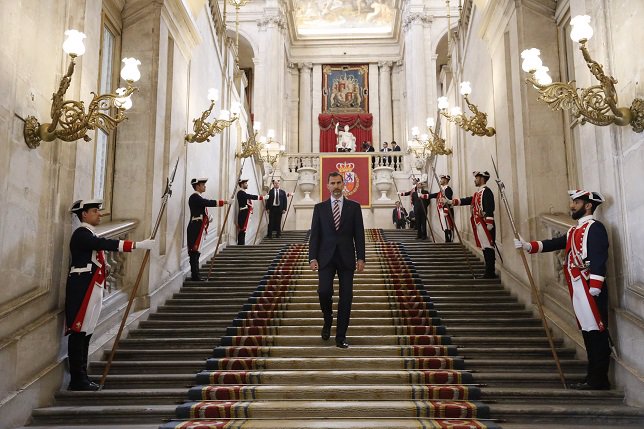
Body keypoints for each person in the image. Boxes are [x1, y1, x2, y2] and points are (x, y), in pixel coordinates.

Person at [514, 190, 611, 390]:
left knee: (597, 332)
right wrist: (528, 246)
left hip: (590, 287)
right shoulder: (574, 230)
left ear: (588, 205)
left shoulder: (595, 228)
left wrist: (595, 285)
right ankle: (592, 376)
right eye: (572, 202)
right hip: (578, 287)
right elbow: (555, 243)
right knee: (587, 331)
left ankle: (599, 379)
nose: (571, 206)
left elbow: (599, 256)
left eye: (576, 202)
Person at [66, 199, 154, 391]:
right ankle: (77, 378)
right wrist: (137, 245)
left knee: (87, 332)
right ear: (84, 215)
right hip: (84, 287)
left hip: (93, 286)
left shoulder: (88, 233)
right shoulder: (82, 233)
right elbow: (104, 243)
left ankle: (82, 376)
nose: (99, 214)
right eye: (95, 211)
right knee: (79, 331)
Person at [309, 171, 366, 349]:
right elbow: (315, 235)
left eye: (339, 183)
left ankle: (341, 336)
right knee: (323, 292)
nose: (336, 186)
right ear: (327, 186)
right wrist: (312, 257)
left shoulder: (354, 207)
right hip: (325, 258)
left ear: (344, 185)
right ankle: (328, 319)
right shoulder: (319, 208)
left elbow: (359, 234)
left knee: (346, 297)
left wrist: (361, 257)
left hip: (347, 258)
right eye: (332, 183)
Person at [447, 171, 496, 278]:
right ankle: (488, 271)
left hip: (485, 224)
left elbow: (490, 206)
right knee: (484, 247)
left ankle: (490, 272)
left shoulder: (487, 192)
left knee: (488, 247)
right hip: (479, 223)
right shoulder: (477, 193)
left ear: (482, 179)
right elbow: (467, 200)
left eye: (477, 178)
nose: (475, 180)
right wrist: (451, 202)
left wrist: (489, 222)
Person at [187, 178, 228, 281]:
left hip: (198, 227)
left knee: (197, 251)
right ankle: (195, 275)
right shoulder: (195, 197)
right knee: (194, 251)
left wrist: (208, 217)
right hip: (195, 227)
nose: (205, 186)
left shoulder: (198, 197)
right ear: (197, 186)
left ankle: (196, 274)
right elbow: (208, 202)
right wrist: (225, 202)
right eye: (203, 185)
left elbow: (202, 209)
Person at [236, 179, 266, 245]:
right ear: (242, 184)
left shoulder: (243, 193)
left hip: (245, 212)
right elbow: (250, 196)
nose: (247, 184)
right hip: (243, 213)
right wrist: (262, 197)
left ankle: (241, 244)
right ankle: (241, 245)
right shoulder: (240, 193)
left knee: (244, 230)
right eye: (246, 183)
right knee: (242, 229)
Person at [428, 174, 454, 242]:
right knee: (444, 225)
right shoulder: (442, 190)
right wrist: (425, 196)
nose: (440, 180)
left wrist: (446, 211)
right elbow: (435, 195)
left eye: (442, 179)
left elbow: (448, 200)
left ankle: (449, 240)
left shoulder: (448, 189)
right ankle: (447, 239)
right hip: (441, 210)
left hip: (445, 211)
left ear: (445, 180)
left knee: (448, 225)